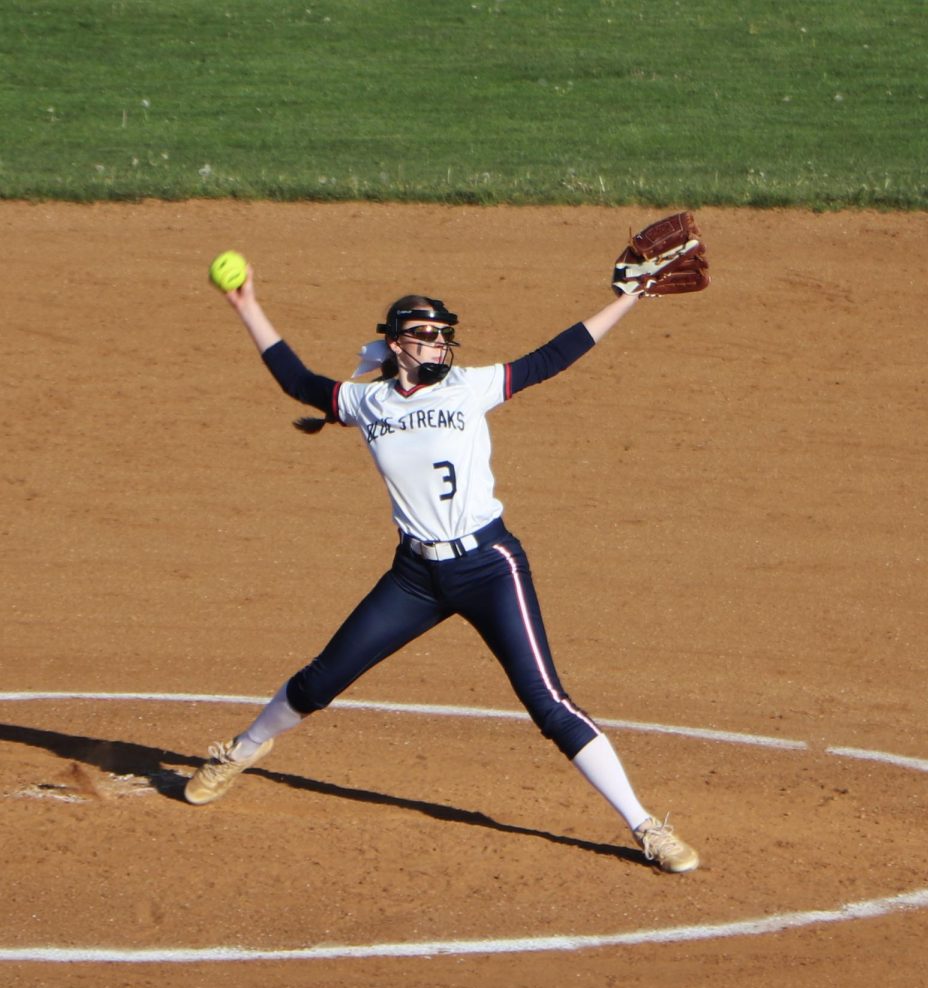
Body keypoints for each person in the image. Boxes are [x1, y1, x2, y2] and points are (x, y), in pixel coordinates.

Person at [184, 254, 700, 874]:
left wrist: (627, 299)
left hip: (491, 566)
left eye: (444, 336)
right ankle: (240, 751)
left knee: (547, 703)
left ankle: (646, 825)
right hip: (415, 578)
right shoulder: (367, 403)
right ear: (396, 343)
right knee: (323, 678)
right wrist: (247, 305)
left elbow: (552, 356)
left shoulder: (470, 386)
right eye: (426, 335)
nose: (440, 345)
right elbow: (297, 380)